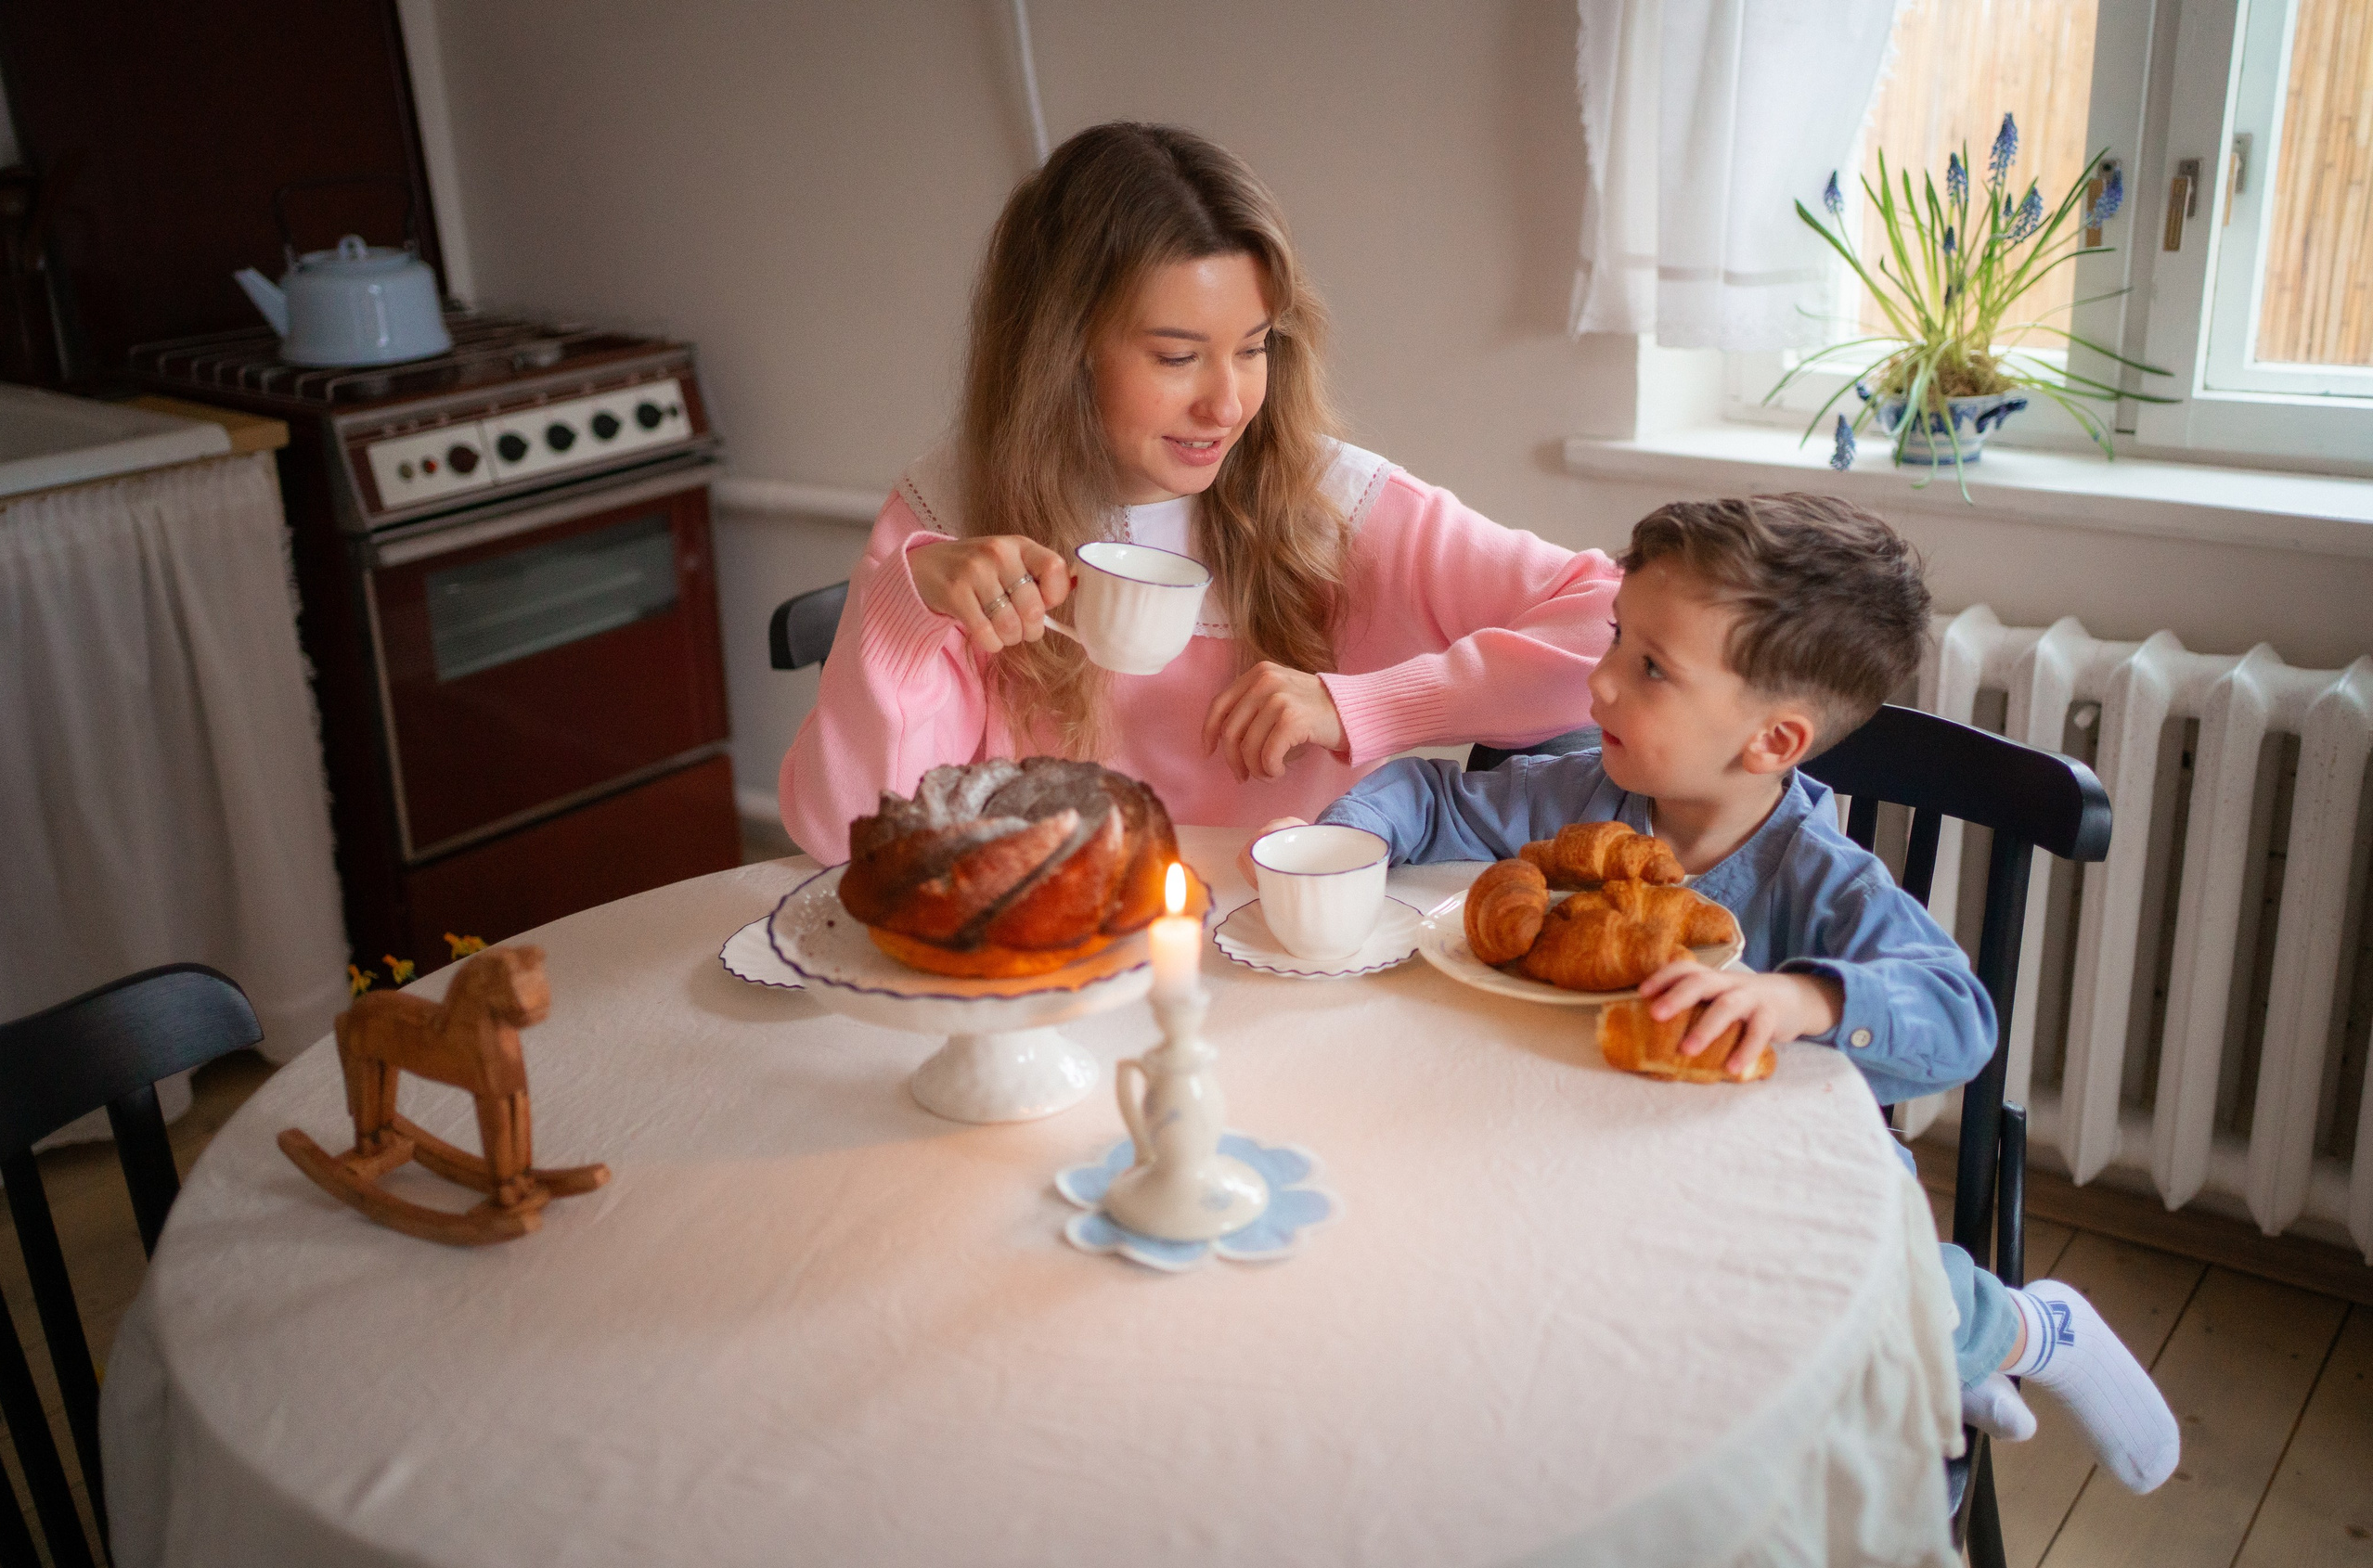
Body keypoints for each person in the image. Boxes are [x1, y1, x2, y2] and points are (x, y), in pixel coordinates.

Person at [1290, 493, 2180, 1494]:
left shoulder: (1820, 877)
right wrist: (1352, 839)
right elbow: (1427, 797)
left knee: (1825, 1305)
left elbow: (1958, 1018)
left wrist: (1803, 1003)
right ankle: (1926, 1362)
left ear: (1772, 742)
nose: (1599, 682)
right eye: (1616, 638)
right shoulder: (1579, 803)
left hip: (1775, 1180)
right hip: (1598, 1156)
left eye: (1650, 668)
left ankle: (2016, 1330)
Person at [778, 122, 1619, 861]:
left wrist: (1363, 706)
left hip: (1283, 961)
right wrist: (909, 609)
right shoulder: (950, 509)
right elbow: (847, 839)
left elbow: (1612, 624)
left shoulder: (1336, 507)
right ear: (1063, 350)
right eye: (1178, 357)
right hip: (1045, 961)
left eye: (1253, 349)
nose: (1227, 405)